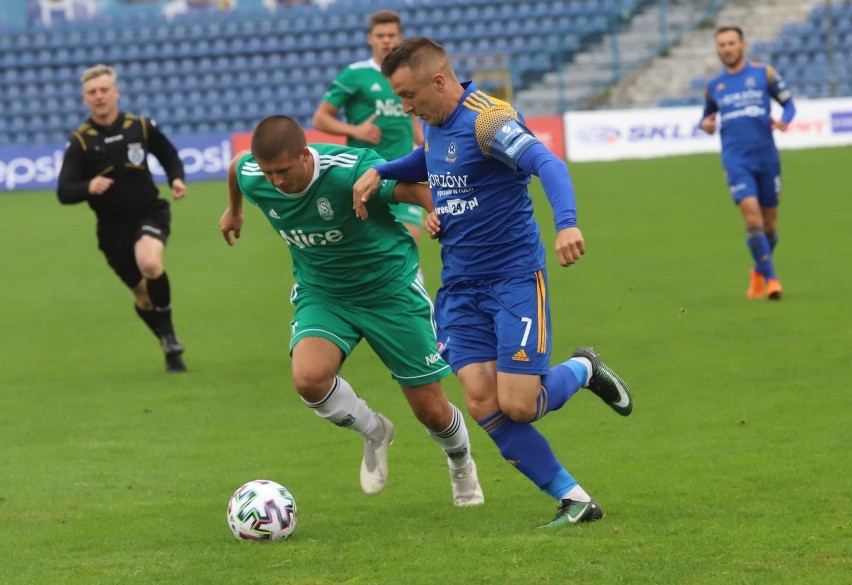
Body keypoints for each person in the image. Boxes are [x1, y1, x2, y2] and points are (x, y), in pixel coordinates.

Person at [353, 37, 633, 528]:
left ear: (438, 81)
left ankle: (585, 369)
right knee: (482, 401)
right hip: (460, 288)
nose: (404, 106)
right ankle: (576, 500)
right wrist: (381, 170)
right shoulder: (434, 122)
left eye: (408, 95)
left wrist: (566, 222)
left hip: (513, 280)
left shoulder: (490, 120)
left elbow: (548, 163)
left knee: (518, 406)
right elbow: (430, 162)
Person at [219, 115, 484, 506]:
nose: (274, 181)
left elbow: (413, 190)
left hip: (389, 290)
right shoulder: (253, 174)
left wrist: (438, 211)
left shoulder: (351, 171)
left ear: (304, 154)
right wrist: (234, 211)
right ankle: (375, 430)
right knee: (309, 379)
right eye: (267, 172)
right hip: (323, 293)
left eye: (283, 171)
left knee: (431, 411)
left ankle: (460, 462)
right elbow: (235, 167)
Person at [57, 64, 188, 373]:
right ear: (85, 99)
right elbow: (64, 191)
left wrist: (176, 179)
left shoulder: (140, 127)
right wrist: (88, 186)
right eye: (92, 92)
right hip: (112, 230)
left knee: (151, 264)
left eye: (104, 90)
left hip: (148, 212)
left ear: (116, 93)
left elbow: (168, 154)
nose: (99, 96)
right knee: (143, 298)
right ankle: (168, 344)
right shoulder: (81, 141)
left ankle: (169, 335)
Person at [311, 10, 426, 254]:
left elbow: (411, 121)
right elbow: (320, 118)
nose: (386, 40)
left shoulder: (408, 76)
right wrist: (355, 129)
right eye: (380, 35)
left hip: (403, 174)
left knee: (409, 241)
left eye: (391, 35)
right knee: (368, 251)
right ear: (369, 39)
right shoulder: (355, 74)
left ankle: (409, 287)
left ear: (400, 37)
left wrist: (428, 145)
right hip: (362, 175)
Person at [700, 25, 796, 301]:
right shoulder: (714, 86)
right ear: (718, 50)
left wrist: (784, 121)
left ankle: (758, 270)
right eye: (722, 45)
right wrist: (706, 124)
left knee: (770, 227)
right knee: (752, 218)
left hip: (767, 158)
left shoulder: (763, 73)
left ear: (743, 45)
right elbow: (706, 117)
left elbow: (789, 105)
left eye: (731, 43)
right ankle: (773, 280)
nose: (727, 49)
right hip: (736, 159)